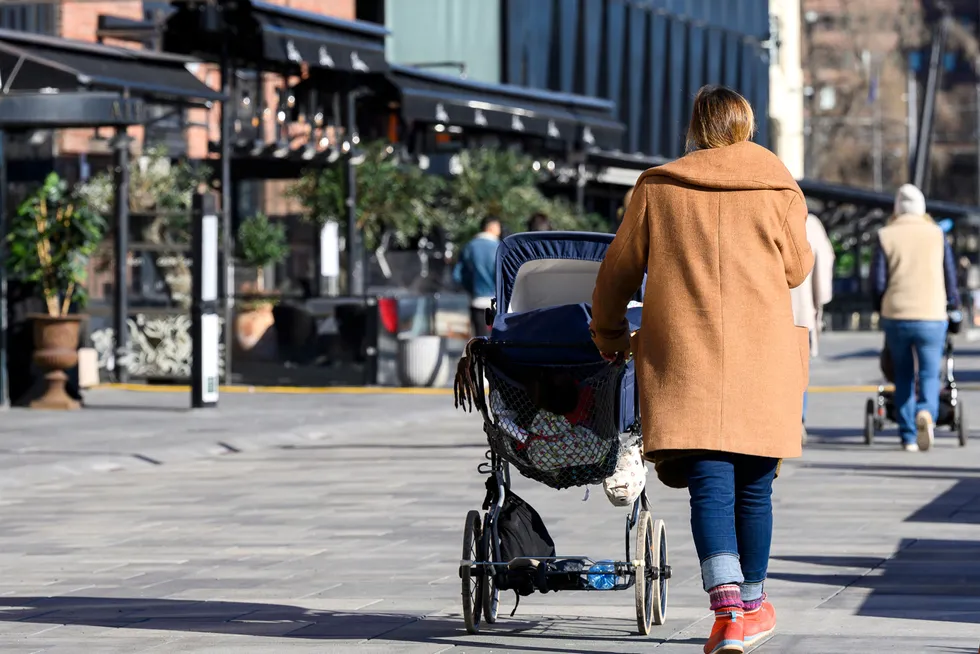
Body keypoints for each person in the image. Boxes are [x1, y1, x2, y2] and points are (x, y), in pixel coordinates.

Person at [589, 85, 813, 654]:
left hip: (684, 358)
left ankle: (727, 614)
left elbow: (616, 272)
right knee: (756, 488)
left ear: (695, 128)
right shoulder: (778, 184)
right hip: (761, 359)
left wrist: (610, 335)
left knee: (709, 486)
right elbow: (797, 269)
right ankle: (755, 606)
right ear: (747, 126)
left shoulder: (658, 187)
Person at [872, 184, 960, 452]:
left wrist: (881, 308)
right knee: (930, 373)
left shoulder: (885, 235)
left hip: (896, 314)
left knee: (903, 375)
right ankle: (927, 413)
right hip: (932, 315)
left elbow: (877, 281)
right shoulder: (936, 234)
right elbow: (950, 276)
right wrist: (953, 305)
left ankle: (908, 435)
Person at [792, 213, 835, 442]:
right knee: (800, 371)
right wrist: (819, 299)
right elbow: (824, 262)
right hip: (801, 312)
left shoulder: (758, 207)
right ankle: (798, 420)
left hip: (765, 311)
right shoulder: (810, 222)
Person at [454, 216, 501, 337]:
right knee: (500, 340)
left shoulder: (469, 247)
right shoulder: (500, 248)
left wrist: (471, 289)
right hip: (498, 302)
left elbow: (457, 275)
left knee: (481, 340)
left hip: (476, 301)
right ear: (492, 227)